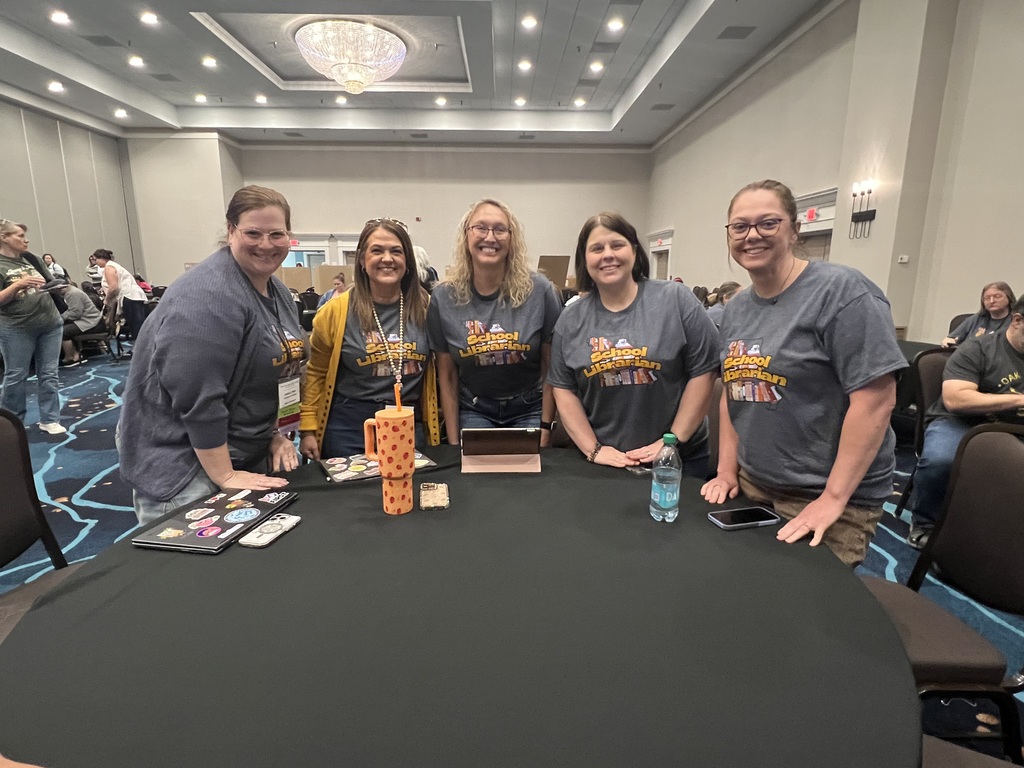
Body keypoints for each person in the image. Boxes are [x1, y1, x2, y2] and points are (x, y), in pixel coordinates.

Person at [701, 180, 906, 567]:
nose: (752, 236)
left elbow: (877, 402)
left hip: (829, 497)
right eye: (740, 226)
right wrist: (727, 470)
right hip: (754, 484)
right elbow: (734, 392)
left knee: (806, 614)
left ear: (795, 230)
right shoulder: (737, 308)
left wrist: (832, 499)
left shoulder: (844, 292)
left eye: (768, 223)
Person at [117, 185, 307, 525]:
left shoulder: (273, 287)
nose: (266, 244)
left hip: (241, 453)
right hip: (189, 470)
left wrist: (274, 434)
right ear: (231, 231)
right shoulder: (208, 297)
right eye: (253, 233)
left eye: (276, 234)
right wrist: (226, 476)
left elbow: (278, 366)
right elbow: (199, 399)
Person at [548, 213, 719, 474]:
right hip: (605, 461)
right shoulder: (569, 320)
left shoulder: (676, 300)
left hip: (679, 458)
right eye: (596, 248)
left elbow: (704, 372)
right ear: (584, 259)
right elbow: (563, 389)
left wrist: (670, 442)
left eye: (617, 245)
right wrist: (593, 449)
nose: (608, 255)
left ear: (635, 251)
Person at [300, 219, 439, 459]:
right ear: (362, 261)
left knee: (405, 492)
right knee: (352, 496)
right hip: (349, 426)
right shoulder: (334, 312)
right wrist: (308, 429)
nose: (387, 258)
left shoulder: (427, 308)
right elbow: (317, 373)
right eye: (377, 250)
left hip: (407, 421)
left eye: (396, 251)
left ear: (407, 263)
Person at [428, 198, 561, 445]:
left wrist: (545, 428)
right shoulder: (443, 297)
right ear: (466, 236)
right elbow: (446, 375)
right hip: (474, 409)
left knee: (531, 481)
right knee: (477, 482)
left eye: (500, 229)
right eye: (480, 227)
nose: (490, 237)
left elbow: (551, 367)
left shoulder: (540, 291)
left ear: (512, 239)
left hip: (529, 408)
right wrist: (454, 442)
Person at [906, 295, 1024, 549]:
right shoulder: (978, 349)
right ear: (1017, 321)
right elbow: (956, 400)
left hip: (1014, 428)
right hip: (960, 422)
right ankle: (925, 524)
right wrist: (1018, 401)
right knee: (941, 460)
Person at [0, 219, 65, 435]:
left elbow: (50, 282)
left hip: (50, 323)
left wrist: (56, 287)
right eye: (19, 235)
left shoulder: (31, 258)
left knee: (49, 373)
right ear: (4, 237)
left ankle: (50, 419)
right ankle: (12, 425)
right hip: (17, 328)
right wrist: (17, 285)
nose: (25, 239)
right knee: (15, 377)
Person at [92, 249, 146, 340]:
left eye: (95, 259)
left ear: (101, 258)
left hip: (129, 297)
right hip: (134, 296)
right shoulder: (114, 266)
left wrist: (107, 300)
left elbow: (113, 287)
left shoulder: (109, 267)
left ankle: (140, 349)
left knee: (135, 326)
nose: (95, 262)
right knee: (138, 324)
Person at [941, 281, 1015, 347]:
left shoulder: (1016, 321)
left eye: (997, 296)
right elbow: (950, 338)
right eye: (987, 298)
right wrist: (947, 341)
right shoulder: (976, 319)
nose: (991, 301)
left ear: (1009, 298)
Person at [59, 281, 104, 366]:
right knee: (67, 328)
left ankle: (70, 358)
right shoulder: (72, 291)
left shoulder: (72, 293)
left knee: (63, 331)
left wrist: (60, 318)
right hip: (90, 320)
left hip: (92, 322)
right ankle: (76, 355)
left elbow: (75, 313)